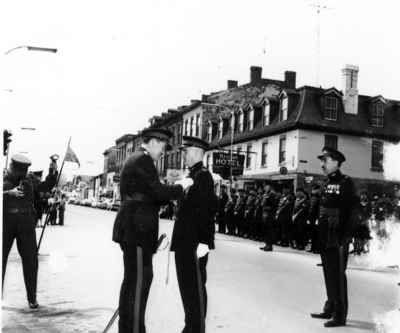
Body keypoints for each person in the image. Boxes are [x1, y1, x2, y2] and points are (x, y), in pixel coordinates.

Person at [112, 128, 187, 333]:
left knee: (133, 281)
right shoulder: (143, 161)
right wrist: (181, 186)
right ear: (153, 142)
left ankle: (128, 329)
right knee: (139, 282)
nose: (163, 150)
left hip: (134, 229)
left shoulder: (137, 159)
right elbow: (157, 192)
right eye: (162, 145)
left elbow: (150, 193)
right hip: (137, 231)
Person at [171, 136, 217, 333]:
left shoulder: (203, 176)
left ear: (198, 152)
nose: (184, 155)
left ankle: (195, 328)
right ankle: (191, 326)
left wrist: (205, 242)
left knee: (195, 289)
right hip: (185, 242)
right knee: (187, 289)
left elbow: (207, 210)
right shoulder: (192, 175)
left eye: (186, 152)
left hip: (194, 244)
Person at [311, 147, 358, 327]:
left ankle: (340, 314)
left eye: (326, 160)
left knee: (338, 275)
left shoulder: (346, 183)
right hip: (325, 235)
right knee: (328, 273)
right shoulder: (325, 183)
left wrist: (346, 236)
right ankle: (330, 306)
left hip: (338, 237)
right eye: (322, 161)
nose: (322, 164)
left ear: (337, 162)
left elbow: (354, 212)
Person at [3, 154, 58, 308]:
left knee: (31, 261)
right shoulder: (4, 180)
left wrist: (52, 171)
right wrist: (8, 193)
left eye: (24, 170)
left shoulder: (30, 180)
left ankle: (32, 299)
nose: (22, 174)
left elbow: (46, 186)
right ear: (13, 167)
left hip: (26, 223)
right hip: (6, 222)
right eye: (19, 170)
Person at [260, 183, 277, 252]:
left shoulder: (272, 194)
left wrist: (267, 208)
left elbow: (273, 205)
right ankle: (266, 244)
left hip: (270, 214)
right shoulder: (266, 194)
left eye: (266, 187)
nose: (265, 188)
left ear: (270, 187)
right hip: (265, 213)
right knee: (265, 229)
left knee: (269, 230)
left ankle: (269, 245)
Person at [307, 184, 321, 253]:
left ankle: (317, 248)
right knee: (312, 233)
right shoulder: (312, 197)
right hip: (311, 217)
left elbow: (319, 209)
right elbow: (310, 208)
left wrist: (318, 218)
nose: (313, 191)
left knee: (317, 233)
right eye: (313, 189)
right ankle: (313, 247)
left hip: (316, 217)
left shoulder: (320, 197)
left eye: (315, 189)